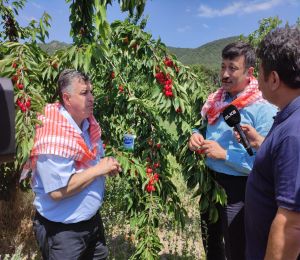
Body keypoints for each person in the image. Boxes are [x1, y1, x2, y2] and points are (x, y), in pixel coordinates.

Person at [188, 41, 277, 260]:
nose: (225, 74)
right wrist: (194, 134)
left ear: (249, 72)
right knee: (211, 242)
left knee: (237, 248)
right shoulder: (216, 99)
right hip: (211, 184)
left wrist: (225, 155)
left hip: (240, 191)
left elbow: (265, 161)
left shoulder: (262, 108)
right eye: (222, 67)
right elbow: (200, 125)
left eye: (232, 68)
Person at [21, 69, 122, 259]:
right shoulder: (52, 135)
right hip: (64, 234)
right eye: (84, 93)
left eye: (91, 92)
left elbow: (89, 162)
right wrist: (98, 169)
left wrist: (105, 167)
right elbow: (58, 191)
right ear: (67, 99)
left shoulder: (87, 124)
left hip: (92, 223)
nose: (91, 98)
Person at [242, 26, 300, 260]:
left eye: (260, 74)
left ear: (274, 79)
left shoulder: (294, 133)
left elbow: (292, 226)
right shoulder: (289, 119)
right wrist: (261, 142)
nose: (256, 81)